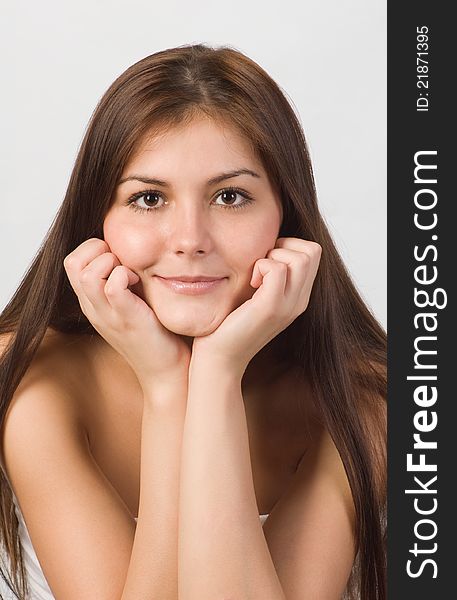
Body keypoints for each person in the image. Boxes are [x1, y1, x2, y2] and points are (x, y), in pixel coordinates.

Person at [0, 43, 386, 600]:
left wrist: (216, 375)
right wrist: (165, 385)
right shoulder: (35, 382)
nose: (189, 241)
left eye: (231, 196)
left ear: (288, 217)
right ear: (97, 220)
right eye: (149, 198)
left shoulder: (365, 402)